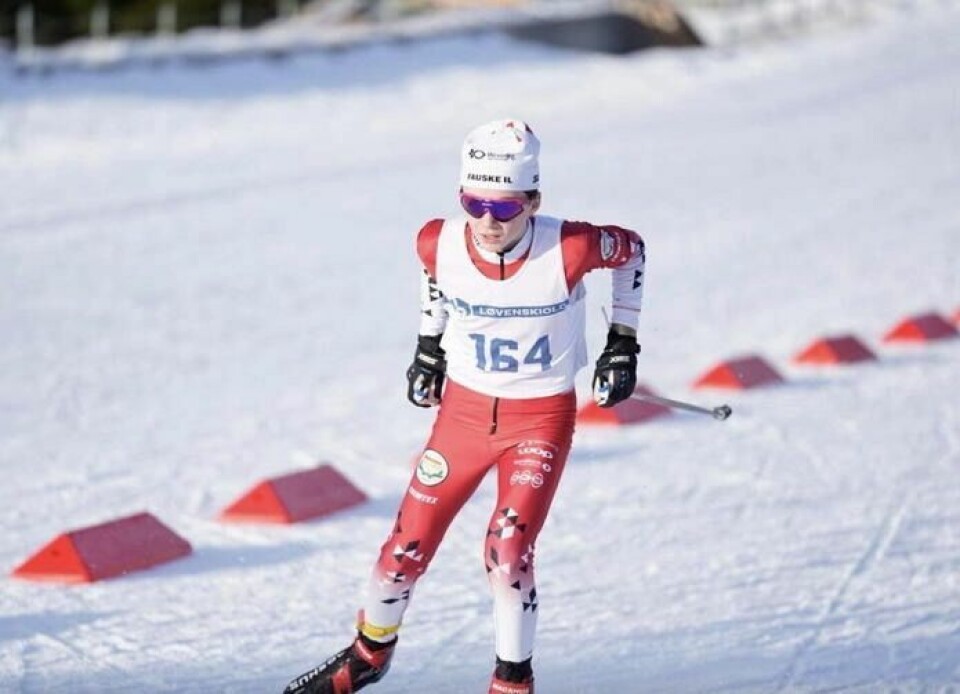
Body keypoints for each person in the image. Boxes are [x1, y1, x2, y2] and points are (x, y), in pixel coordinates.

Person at [284, 119, 645, 694]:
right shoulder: (437, 239)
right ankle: (369, 653)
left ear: (533, 201)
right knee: (403, 550)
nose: (486, 222)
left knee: (507, 549)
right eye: (474, 204)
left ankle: (512, 682)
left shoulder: (572, 246)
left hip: (539, 420)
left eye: (504, 209)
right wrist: (428, 348)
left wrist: (622, 342)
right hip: (463, 416)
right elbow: (436, 281)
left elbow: (633, 253)